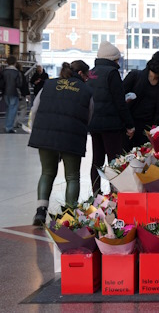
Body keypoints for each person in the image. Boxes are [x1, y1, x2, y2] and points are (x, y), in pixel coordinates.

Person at [28, 61, 93, 225]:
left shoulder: (48, 84)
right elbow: (89, 115)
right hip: (72, 136)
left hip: (46, 134)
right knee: (72, 177)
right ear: (80, 74)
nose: (88, 79)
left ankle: (40, 211)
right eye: (87, 75)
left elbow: (35, 109)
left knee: (47, 172)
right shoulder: (86, 90)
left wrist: (37, 129)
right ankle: (69, 215)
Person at [86, 41, 136, 192]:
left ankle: (96, 193)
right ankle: (115, 194)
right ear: (113, 59)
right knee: (114, 161)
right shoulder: (112, 73)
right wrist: (129, 124)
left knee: (97, 161)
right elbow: (119, 102)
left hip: (94, 124)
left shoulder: (92, 72)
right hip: (111, 124)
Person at [123, 50, 159, 150]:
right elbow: (120, 100)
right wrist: (127, 125)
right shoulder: (135, 76)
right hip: (132, 128)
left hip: (152, 130)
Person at [2, 55, 24, 133]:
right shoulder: (17, 72)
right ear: (15, 62)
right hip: (14, 92)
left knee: (8, 109)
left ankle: (6, 126)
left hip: (5, 93)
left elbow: (1, 83)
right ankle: (9, 127)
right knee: (12, 110)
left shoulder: (3, 71)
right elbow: (19, 84)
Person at [14, 62, 30, 130]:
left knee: (14, 109)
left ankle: (15, 122)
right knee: (24, 108)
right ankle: (19, 121)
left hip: (13, 93)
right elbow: (25, 85)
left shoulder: (13, 74)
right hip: (21, 94)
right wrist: (27, 94)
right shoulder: (22, 74)